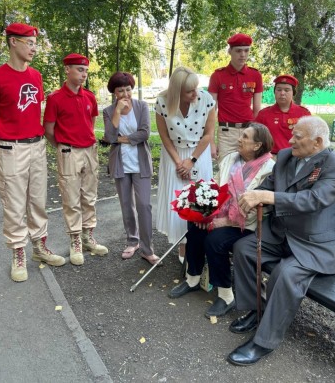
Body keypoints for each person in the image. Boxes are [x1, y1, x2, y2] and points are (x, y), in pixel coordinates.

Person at [227, 116, 335, 366]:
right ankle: (256, 310)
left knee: (285, 274)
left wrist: (267, 196)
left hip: (315, 243)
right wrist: (250, 198)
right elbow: (269, 184)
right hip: (282, 232)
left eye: (297, 137)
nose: (290, 141)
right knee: (243, 248)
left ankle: (263, 341)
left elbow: (312, 200)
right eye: (292, 135)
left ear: (318, 141)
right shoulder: (288, 156)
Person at [168, 123, 275, 319]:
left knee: (215, 240)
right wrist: (204, 212)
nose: (239, 139)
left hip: (247, 224)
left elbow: (256, 208)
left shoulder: (269, 169)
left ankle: (226, 295)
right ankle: (193, 278)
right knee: (195, 225)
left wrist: (223, 222)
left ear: (257, 145)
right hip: (220, 214)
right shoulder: (230, 159)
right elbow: (215, 187)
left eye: (245, 137)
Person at [0, 22, 65, 282]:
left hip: (36, 145)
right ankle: (18, 253)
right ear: (13, 42)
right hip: (10, 148)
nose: (34, 48)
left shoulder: (36, 76)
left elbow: (36, 112)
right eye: (29, 43)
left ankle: (40, 247)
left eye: (35, 43)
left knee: (37, 200)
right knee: (13, 204)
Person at [44, 53, 108, 266]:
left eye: (86, 71)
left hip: (89, 150)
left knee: (89, 196)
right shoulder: (55, 98)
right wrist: (64, 146)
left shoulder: (89, 97)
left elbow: (91, 122)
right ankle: (75, 241)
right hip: (68, 152)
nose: (84, 75)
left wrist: (85, 142)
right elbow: (49, 130)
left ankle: (88, 237)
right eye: (80, 70)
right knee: (71, 199)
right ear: (67, 70)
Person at [155, 66, 216, 262]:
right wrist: (179, 162)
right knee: (179, 201)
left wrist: (192, 161)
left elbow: (208, 134)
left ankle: (199, 245)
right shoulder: (162, 102)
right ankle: (182, 247)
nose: (195, 94)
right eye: (189, 91)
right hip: (174, 154)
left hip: (199, 152)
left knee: (199, 200)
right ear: (177, 92)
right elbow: (164, 136)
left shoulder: (206, 100)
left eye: (196, 88)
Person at [103, 72, 160, 266]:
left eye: (128, 89)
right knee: (127, 205)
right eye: (121, 90)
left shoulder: (142, 106)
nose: (126, 93)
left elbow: (144, 133)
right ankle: (132, 241)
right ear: (114, 92)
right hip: (120, 164)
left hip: (140, 162)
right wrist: (117, 113)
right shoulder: (109, 110)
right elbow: (109, 137)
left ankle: (147, 249)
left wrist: (122, 139)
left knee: (144, 205)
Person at [208, 33, 263, 163]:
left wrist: (255, 135)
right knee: (226, 171)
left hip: (249, 131)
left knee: (248, 172)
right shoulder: (218, 76)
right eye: (238, 51)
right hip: (226, 133)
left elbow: (257, 110)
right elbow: (210, 112)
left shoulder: (255, 75)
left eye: (246, 50)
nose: (243, 54)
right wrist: (211, 142)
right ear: (230, 51)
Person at [255, 74, 311, 156]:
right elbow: (256, 137)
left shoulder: (303, 114)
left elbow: (310, 137)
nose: (282, 93)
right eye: (279, 89)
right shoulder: (263, 114)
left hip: (295, 157)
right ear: (274, 92)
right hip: (270, 157)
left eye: (287, 90)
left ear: (293, 93)